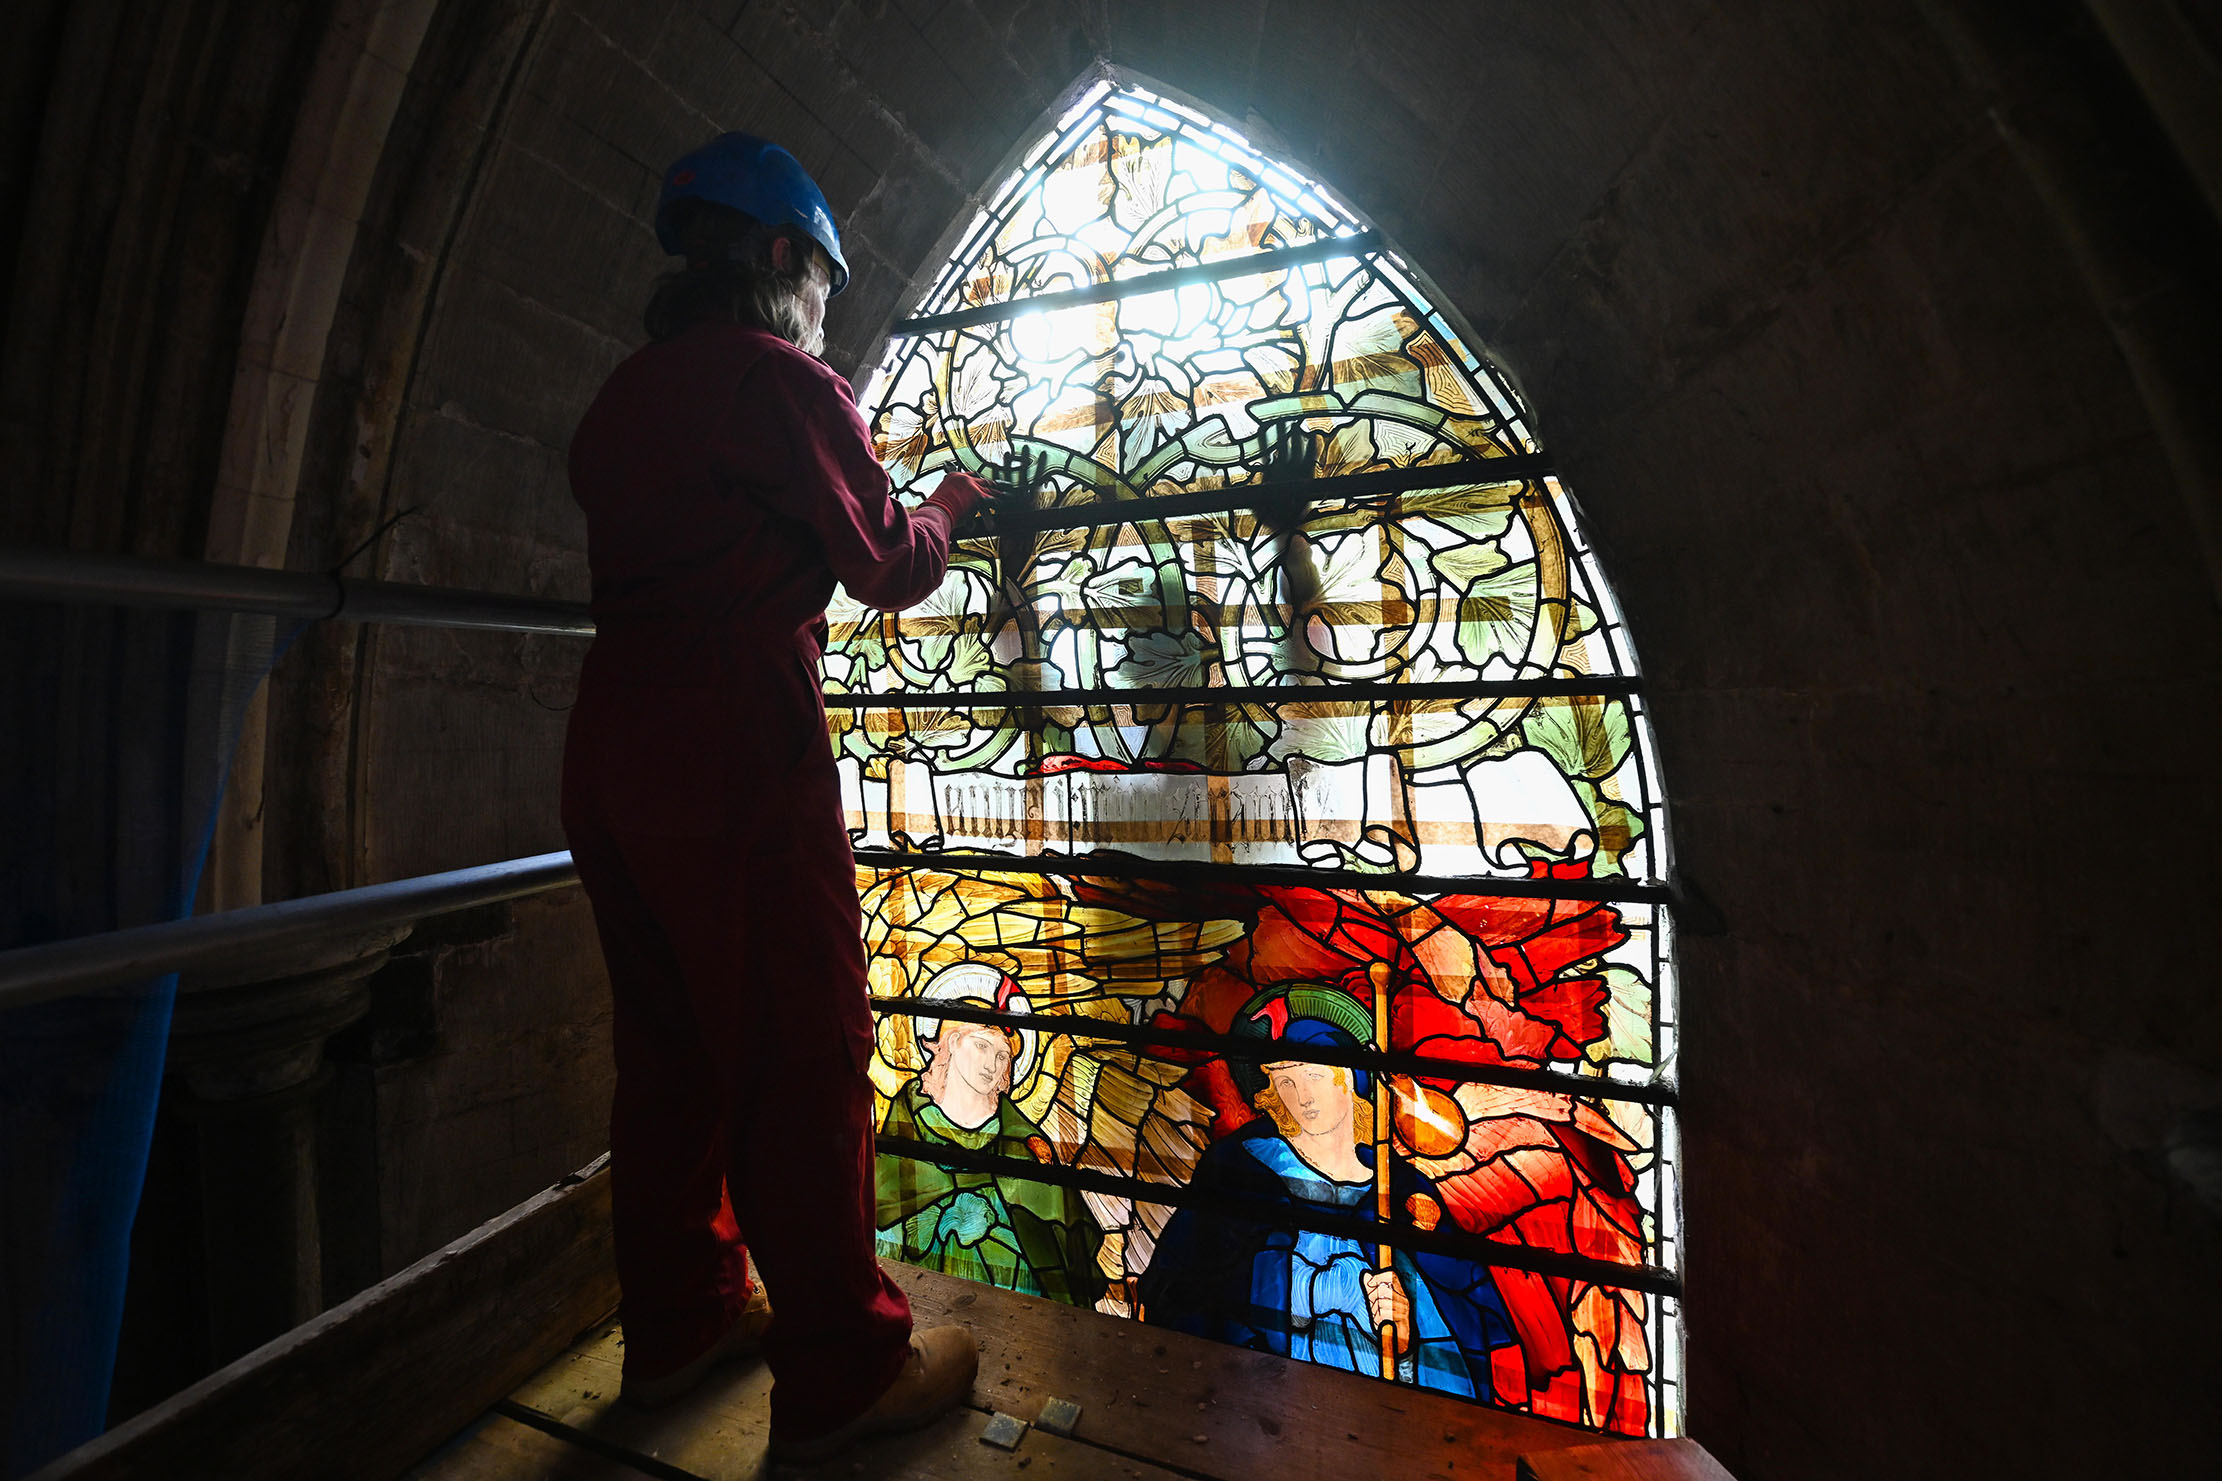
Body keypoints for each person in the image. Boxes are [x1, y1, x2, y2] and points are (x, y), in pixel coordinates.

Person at [560, 132, 994, 1462]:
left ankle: (682, 1323)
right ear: (777, 258)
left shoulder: (623, 395)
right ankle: (844, 1368)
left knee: (671, 1049)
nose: (828, 314)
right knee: (799, 1047)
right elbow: (881, 565)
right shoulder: (778, 380)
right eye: (824, 280)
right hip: (737, 739)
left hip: (611, 743)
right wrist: (950, 500)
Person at [1137, 986, 1520, 1397]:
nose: (1302, 1097)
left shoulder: (1402, 1190)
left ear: (1349, 1081)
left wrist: (1410, 1339)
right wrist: (1309, 1290)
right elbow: (1183, 1287)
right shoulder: (1239, 1168)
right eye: (1285, 1080)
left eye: (1316, 1075)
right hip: (1264, 1409)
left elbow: (1466, 1316)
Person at [875, 1008, 1107, 1306]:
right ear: (953, 1042)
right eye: (982, 1046)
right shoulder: (909, 1117)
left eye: (1002, 1056)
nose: (992, 1065)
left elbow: (1057, 1233)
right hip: (920, 1292)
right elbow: (885, 1207)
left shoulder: (1022, 1141)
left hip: (1015, 1298)